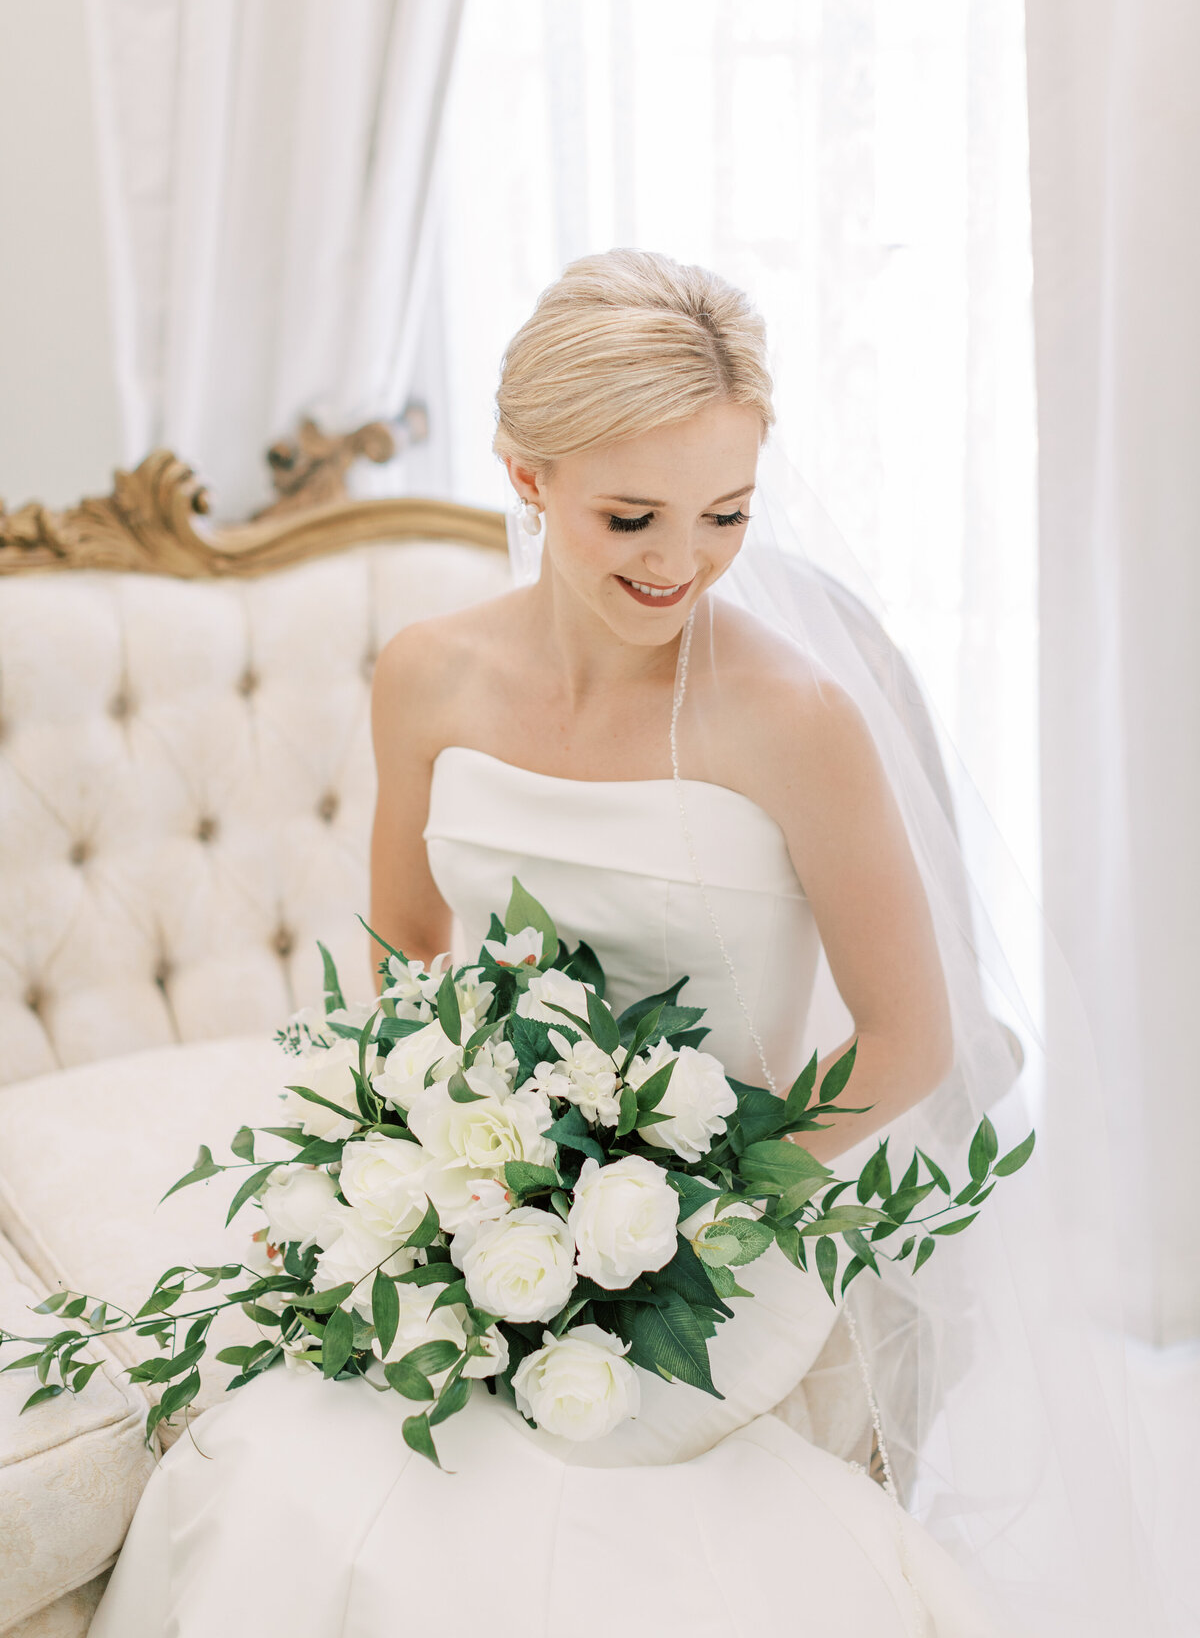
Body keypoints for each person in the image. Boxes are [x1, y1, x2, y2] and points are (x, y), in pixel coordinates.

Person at [88, 251, 1156, 1637]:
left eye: (725, 514)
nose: (682, 566)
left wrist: (687, 1201)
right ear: (525, 478)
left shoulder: (796, 718)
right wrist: (426, 1161)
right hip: (483, 1191)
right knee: (306, 1459)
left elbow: (911, 1039)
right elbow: (407, 945)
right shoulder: (428, 673)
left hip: (727, 1215)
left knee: (549, 1498)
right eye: (632, 517)